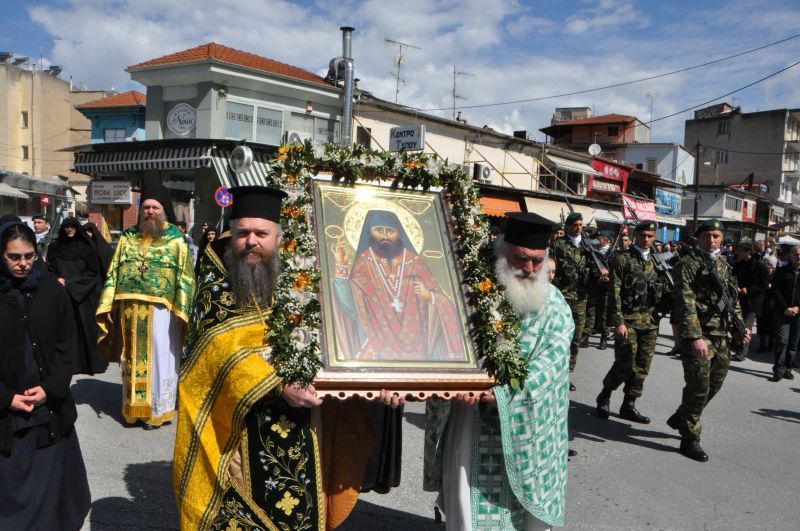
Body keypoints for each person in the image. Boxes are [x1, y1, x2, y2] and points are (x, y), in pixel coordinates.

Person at [424, 212, 573, 530]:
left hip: (527, 434)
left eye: (538, 260)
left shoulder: (556, 306)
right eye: (522, 258)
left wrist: (504, 394)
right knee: (467, 511)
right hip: (470, 422)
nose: (530, 269)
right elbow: (442, 341)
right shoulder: (471, 294)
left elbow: (553, 365)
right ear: (502, 251)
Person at [0, 221, 91, 529]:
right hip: (7, 418)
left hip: (47, 412)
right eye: (14, 257)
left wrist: (50, 388)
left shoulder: (51, 289)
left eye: (28, 255)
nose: (23, 263)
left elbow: (68, 345)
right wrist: (6, 398)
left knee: (54, 503)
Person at [96, 183, 196, 429]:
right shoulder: (129, 237)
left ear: (164, 210)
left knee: (160, 356)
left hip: (163, 311)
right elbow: (115, 272)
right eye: (147, 207)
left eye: (156, 207)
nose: (150, 211)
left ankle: (157, 410)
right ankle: (134, 409)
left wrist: (182, 309)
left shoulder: (176, 239)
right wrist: (110, 304)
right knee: (131, 357)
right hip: (130, 308)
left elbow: (185, 276)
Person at [332, 209, 466, 361]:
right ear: (370, 233)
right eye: (378, 230)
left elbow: (446, 304)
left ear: (399, 233)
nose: (385, 235)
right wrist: (341, 266)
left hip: (418, 346)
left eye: (390, 231)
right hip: (377, 345)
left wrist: (429, 296)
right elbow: (350, 305)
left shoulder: (414, 261)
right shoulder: (364, 261)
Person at [667, 220, 750, 461]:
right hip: (700, 335)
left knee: (715, 383)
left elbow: (731, 299)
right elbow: (685, 301)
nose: (711, 240)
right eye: (706, 236)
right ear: (698, 238)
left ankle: (682, 415)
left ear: (722, 238)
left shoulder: (724, 264)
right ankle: (690, 437)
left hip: (721, 334)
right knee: (698, 386)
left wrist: (741, 326)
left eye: (715, 235)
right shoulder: (688, 264)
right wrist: (695, 337)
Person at [596, 221, 666, 424]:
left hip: (651, 321)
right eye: (643, 235)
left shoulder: (658, 261)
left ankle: (629, 404)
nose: (646, 239)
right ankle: (606, 393)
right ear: (636, 235)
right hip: (628, 320)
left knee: (642, 366)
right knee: (626, 363)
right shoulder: (622, 260)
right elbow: (614, 293)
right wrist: (618, 322)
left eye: (650, 236)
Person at [551, 212, 608, 390]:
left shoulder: (588, 246)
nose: (579, 228)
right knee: (557, 337)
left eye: (581, 225)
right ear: (567, 226)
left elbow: (594, 271)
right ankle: (553, 372)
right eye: (575, 224)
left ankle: (566, 374)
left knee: (575, 338)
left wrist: (600, 274)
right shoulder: (558, 245)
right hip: (561, 297)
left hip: (581, 299)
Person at [46, 217, 108, 375]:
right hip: (62, 294)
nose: (69, 230)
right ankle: (70, 364)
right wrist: (56, 280)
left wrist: (72, 283)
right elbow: (49, 270)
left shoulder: (87, 248)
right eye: (66, 227)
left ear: (77, 228)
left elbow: (93, 273)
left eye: (72, 226)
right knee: (66, 331)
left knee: (86, 329)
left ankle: (90, 364)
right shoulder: (55, 247)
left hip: (84, 295)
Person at [730, 243, 769, 362]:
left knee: (746, 327)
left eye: (740, 251)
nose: (738, 253)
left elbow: (763, 285)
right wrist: (735, 287)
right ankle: (736, 345)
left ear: (748, 252)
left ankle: (742, 351)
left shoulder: (760, 267)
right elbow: (732, 279)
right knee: (735, 325)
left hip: (753, 302)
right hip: (738, 300)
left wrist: (748, 290)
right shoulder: (737, 265)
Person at [768, 244, 800, 382]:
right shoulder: (781, 271)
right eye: (796, 254)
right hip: (782, 311)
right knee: (782, 340)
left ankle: (788, 368)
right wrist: (785, 307)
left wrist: (798, 308)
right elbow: (775, 291)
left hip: (799, 313)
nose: (798, 257)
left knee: (794, 342)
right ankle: (779, 369)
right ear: (790, 255)